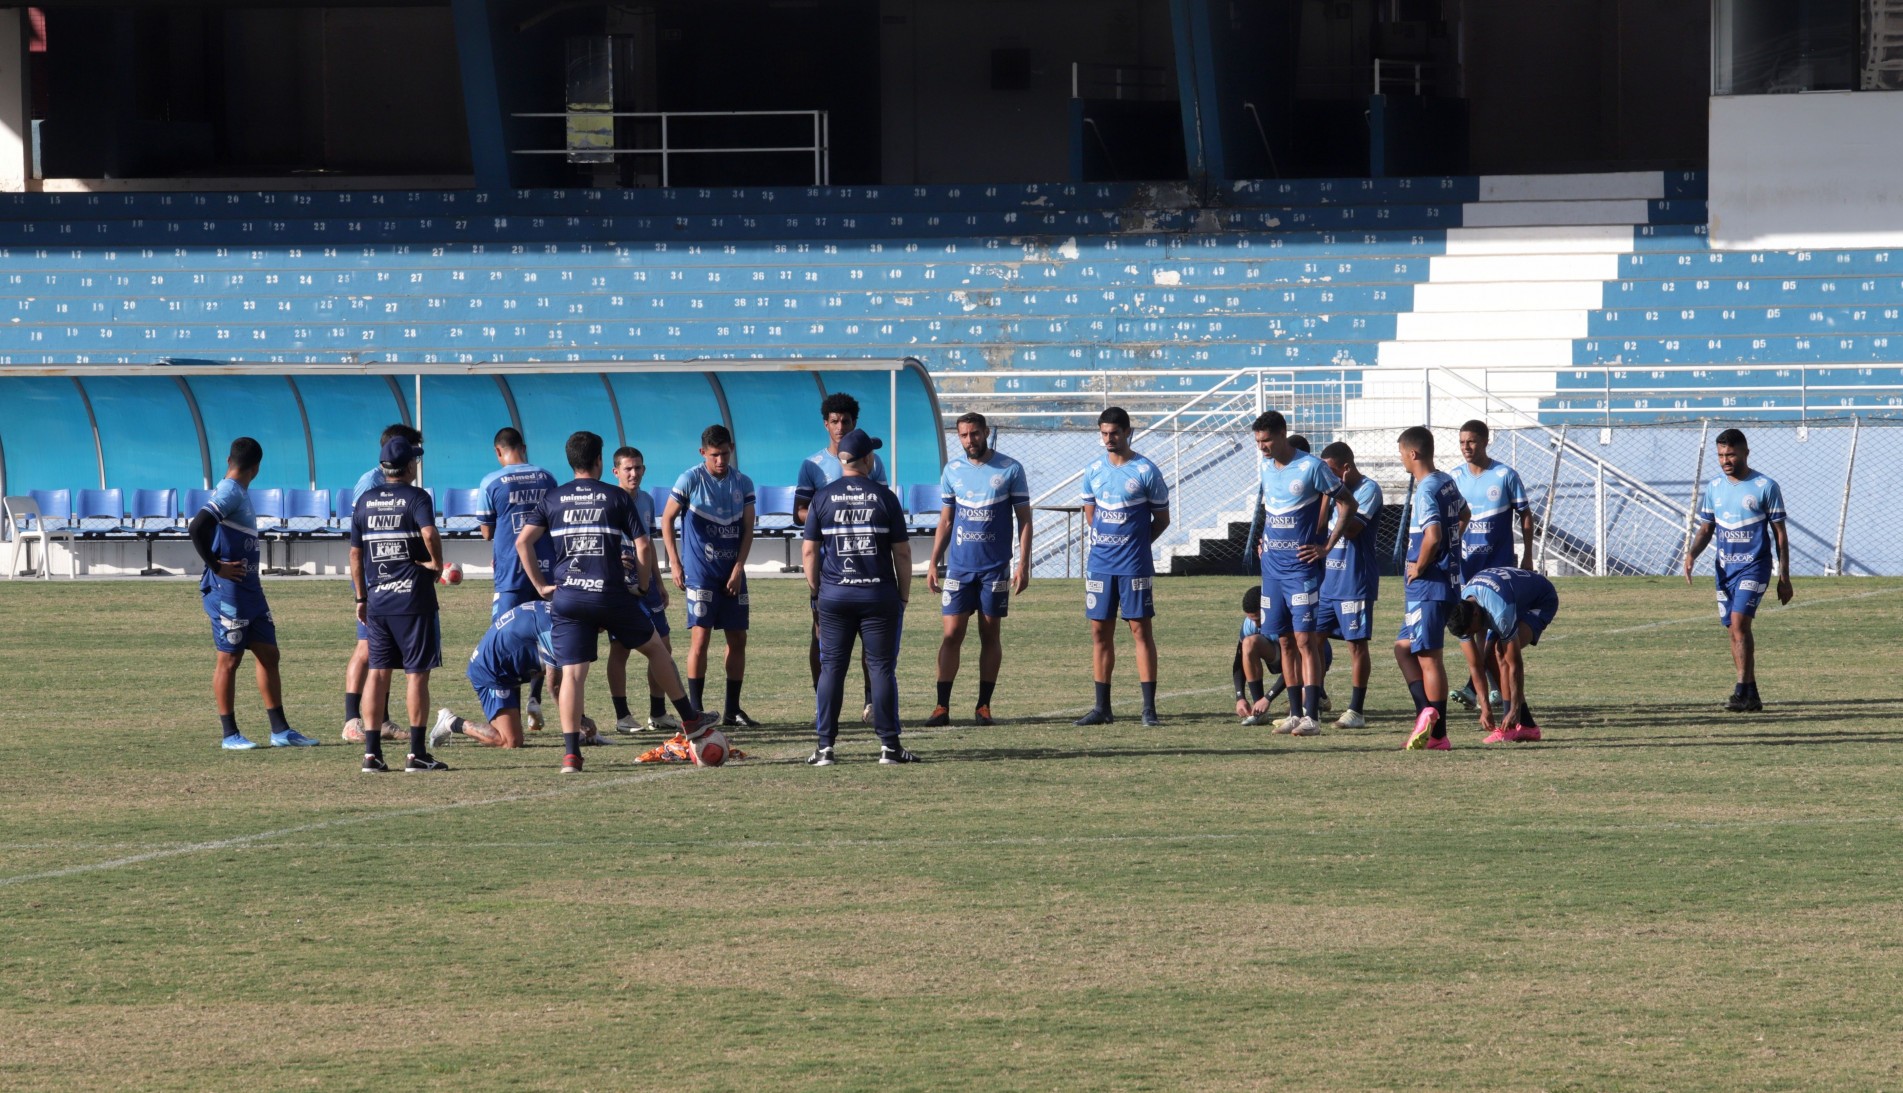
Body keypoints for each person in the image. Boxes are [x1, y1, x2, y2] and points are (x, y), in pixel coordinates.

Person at [517, 430, 717, 774]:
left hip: (568, 597)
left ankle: (571, 756)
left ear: (571, 461)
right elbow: (642, 546)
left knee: (573, 676)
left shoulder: (553, 499)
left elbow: (523, 543)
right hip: (610, 594)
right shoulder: (615, 498)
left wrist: (541, 585)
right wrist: (641, 586)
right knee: (656, 650)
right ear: (599, 461)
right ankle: (690, 719)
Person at [190, 437, 316, 750]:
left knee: (269, 653)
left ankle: (280, 731)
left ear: (229, 460)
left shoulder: (239, 491)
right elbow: (198, 527)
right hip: (228, 591)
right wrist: (216, 565)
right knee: (229, 660)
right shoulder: (230, 491)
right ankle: (229, 734)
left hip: (250, 590)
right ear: (256, 468)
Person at [801, 428, 918, 765]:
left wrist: (817, 590)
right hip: (878, 594)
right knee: (881, 668)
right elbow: (903, 554)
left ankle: (825, 748)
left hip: (834, 596)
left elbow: (809, 552)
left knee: (831, 669)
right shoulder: (884, 497)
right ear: (867, 459)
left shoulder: (822, 497)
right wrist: (904, 596)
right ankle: (890, 748)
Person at [1251, 411, 1358, 736]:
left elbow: (1348, 503)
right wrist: (1264, 541)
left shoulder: (1312, 467)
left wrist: (1326, 546)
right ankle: (1295, 714)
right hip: (1272, 569)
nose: (1262, 447)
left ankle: (1312, 715)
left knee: (1304, 639)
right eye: (1258, 442)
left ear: (1283, 434)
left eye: (1267, 440)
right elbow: (1273, 513)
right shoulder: (1266, 469)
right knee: (1283, 639)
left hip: (1301, 569)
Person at [348, 434, 448, 772]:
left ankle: (372, 754)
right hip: (413, 600)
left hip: (377, 600)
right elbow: (430, 534)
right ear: (408, 466)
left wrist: (361, 596)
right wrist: (436, 563)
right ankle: (417, 753)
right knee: (416, 675)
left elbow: (355, 553)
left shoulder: (365, 501)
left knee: (377, 674)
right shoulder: (417, 497)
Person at [924, 411, 1032, 726]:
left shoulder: (1010, 468)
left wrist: (1022, 563)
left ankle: (983, 707)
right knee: (952, 634)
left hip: (994, 569)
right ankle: (941, 707)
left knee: (989, 634)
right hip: (959, 569)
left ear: (985, 432)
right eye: (963, 435)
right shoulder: (952, 470)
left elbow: (1024, 519)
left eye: (974, 434)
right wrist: (933, 562)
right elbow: (945, 520)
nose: (969, 440)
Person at [1683, 428, 1793, 711]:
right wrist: (1692, 554)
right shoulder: (1715, 488)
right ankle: (1751, 695)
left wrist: (1784, 577)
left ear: (1745, 452)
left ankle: (1739, 691)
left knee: (1740, 623)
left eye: (1730, 454)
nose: (1725, 460)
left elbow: (1780, 534)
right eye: (1720, 455)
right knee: (1734, 630)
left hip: (1755, 567)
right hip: (1725, 570)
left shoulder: (1766, 486)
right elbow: (1707, 528)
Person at [1074, 406, 1170, 727]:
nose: (1108, 439)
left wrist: (1138, 544)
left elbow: (1162, 519)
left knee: (1140, 631)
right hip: (1100, 565)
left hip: (1134, 566)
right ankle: (1102, 708)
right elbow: (1091, 514)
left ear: (1128, 432)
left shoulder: (1145, 471)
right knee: (1099, 633)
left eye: (1114, 433)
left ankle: (1148, 709)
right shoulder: (1093, 471)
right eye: (1103, 433)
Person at [794, 391, 889, 719]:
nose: (839, 426)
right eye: (834, 421)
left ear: (854, 423)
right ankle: (822, 698)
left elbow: (883, 507)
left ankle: (871, 702)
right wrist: (833, 511)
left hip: (866, 559)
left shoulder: (872, 462)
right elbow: (800, 512)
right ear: (826, 424)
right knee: (820, 631)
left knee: (870, 633)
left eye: (845, 421)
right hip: (826, 563)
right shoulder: (812, 465)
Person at [661, 424, 758, 727]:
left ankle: (732, 709)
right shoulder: (690, 479)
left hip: (732, 571)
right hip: (701, 572)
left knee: (738, 638)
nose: (721, 460)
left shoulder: (743, 482)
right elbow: (666, 520)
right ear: (703, 452)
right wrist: (675, 563)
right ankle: (695, 710)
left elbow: (748, 529)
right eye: (715, 455)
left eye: (725, 454)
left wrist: (739, 567)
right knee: (700, 640)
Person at [428, 600, 607, 749]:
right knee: (510, 741)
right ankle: (451, 722)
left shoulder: (561, 614)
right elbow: (556, 687)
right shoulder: (558, 632)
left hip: (507, 666)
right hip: (493, 672)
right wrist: (580, 722)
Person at [342, 422, 422, 744]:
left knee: (382, 653)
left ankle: (382, 721)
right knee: (366, 649)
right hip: (373, 578)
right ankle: (351, 721)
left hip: (392, 577)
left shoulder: (395, 482)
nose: (418, 458)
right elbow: (361, 539)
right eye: (415, 451)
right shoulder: (370, 483)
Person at [475, 426, 558, 727]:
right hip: (546, 568)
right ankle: (535, 699)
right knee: (548, 635)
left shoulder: (491, 481)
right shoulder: (547, 477)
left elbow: (487, 532)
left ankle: (509, 712)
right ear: (524, 447)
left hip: (511, 571)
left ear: (498, 451)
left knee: (505, 639)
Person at [1394, 426, 1470, 751]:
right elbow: (1465, 514)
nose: (1400, 459)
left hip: (1429, 586)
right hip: (1444, 582)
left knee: (1429, 658)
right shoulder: (1446, 481)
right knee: (1402, 647)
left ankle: (1438, 735)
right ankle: (1426, 712)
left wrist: (1421, 565)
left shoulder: (1426, 489)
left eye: (1401, 453)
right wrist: (1452, 548)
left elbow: (1434, 535)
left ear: (1412, 453)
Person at [1450, 419, 1533, 715]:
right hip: (1466, 566)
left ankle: (1478, 690)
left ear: (1485, 441)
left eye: (1471, 441)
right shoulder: (1454, 477)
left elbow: (1525, 515)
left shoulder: (1505, 475)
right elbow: (1450, 520)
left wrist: (1527, 556)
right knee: (1468, 626)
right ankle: (1487, 689)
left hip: (1497, 568)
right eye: (1461, 442)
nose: (1466, 448)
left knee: (1491, 631)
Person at [606, 446, 681, 735]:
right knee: (621, 648)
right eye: (628, 469)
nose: (634, 473)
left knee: (664, 646)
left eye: (638, 468)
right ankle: (622, 716)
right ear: (616, 472)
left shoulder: (647, 500)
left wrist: (658, 583)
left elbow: (647, 545)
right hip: (620, 586)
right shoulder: (610, 501)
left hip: (647, 585)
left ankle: (658, 713)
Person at [1316, 441, 1384, 730]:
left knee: (1356, 646)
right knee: (1311, 639)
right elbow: (1319, 527)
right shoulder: (1331, 494)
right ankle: (1315, 699)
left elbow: (1353, 529)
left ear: (1346, 468)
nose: (1327, 478)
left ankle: (1356, 709)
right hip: (1327, 581)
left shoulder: (1369, 490)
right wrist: (1326, 495)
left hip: (1354, 580)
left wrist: (1339, 497)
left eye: (1331, 472)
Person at [1449, 567, 1559, 743]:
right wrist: (1485, 708)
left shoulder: (1499, 611)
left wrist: (1514, 710)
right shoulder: (1462, 610)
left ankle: (1510, 725)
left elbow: (1515, 664)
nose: (1471, 635)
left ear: (1477, 614)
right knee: (1489, 655)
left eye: (1471, 631)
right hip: (1510, 596)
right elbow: (1475, 665)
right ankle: (1528, 727)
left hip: (1540, 599)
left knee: (1501, 652)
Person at [1233, 585, 1289, 725]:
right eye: (1252, 620)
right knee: (1249, 643)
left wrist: (1268, 698)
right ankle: (1259, 713)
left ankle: (1319, 696)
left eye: (1258, 619)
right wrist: (1240, 697)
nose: (1256, 625)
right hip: (1281, 656)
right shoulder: (1250, 624)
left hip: (1312, 663)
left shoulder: (1285, 617)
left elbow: (1298, 665)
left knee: (1303, 704)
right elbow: (1239, 661)